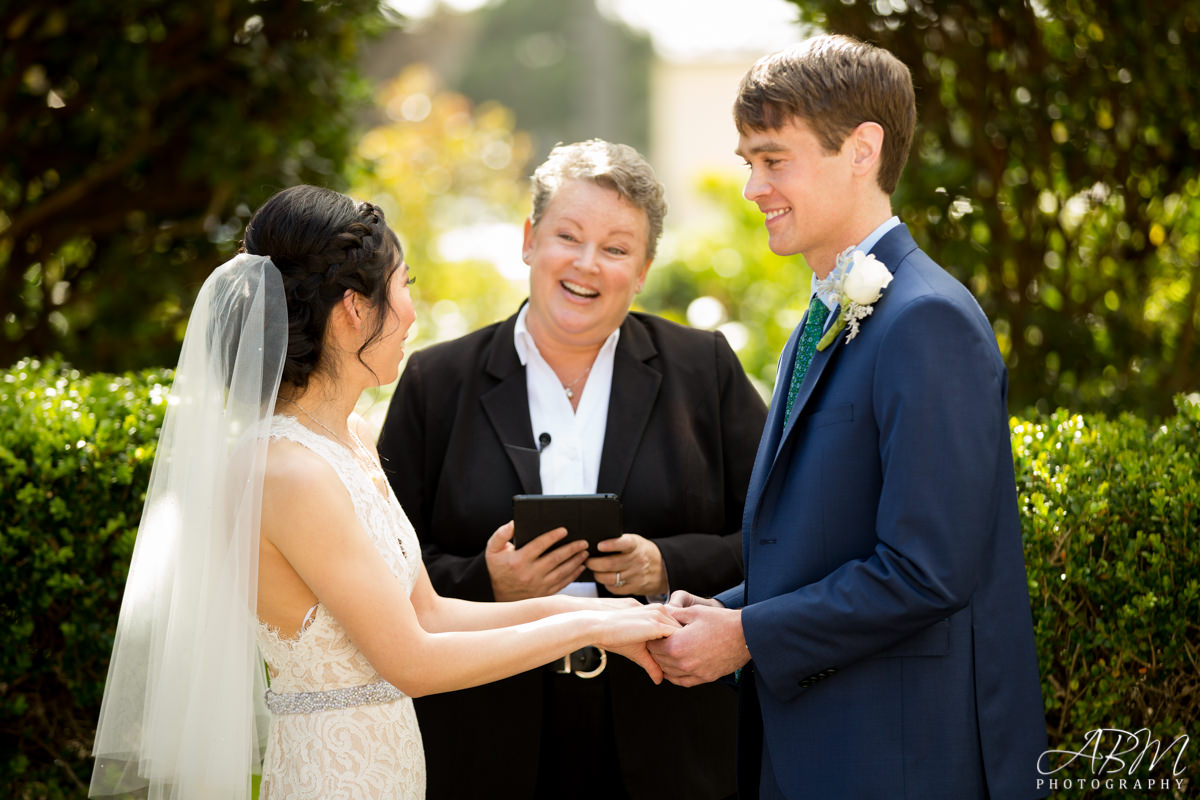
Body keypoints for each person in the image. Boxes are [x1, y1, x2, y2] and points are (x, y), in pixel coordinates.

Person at [89, 185, 679, 800]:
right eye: (403, 286)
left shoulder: (352, 440)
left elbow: (431, 613)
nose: (412, 312)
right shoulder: (285, 470)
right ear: (352, 309)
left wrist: (606, 612)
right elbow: (413, 661)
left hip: (392, 772)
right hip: (331, 777)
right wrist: (589, 633)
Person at [647, 35, 1049, 800]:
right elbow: (827, 545)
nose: (753, 187)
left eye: (773, 160)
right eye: (748, 163)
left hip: (901, 764)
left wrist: (744, 637)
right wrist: (722, 611)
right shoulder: (822, 317)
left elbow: (925, 572)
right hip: (813, 755)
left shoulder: (927, 320)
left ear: (862, 149)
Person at [376, 139, 767, 799]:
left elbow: (776, 540)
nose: (587, 264)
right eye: (568, 236)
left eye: (616, 248)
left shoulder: (704, 370)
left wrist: (666, 565)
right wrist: (487, 581)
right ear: (529, 239)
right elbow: (381, 568)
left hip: (667, 735)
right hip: (487, 736)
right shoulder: (436, 381)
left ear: (643, 268)